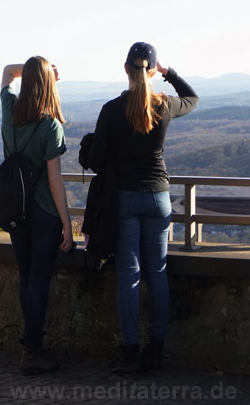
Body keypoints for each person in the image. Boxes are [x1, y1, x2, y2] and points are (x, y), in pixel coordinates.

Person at [88, 42, 198, 373]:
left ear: (125, 70)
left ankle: (129, 354)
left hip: (124, 198)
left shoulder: (110, 109)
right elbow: (192, 98)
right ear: (152, 71)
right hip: (158, 197)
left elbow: (95, 162)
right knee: (158, 274)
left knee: (129, 276)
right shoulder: (164, 105)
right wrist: (170, 73)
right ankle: (156, 351)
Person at [1, 56, 73, 375]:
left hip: (16, 212)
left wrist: (33, 69)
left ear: (27, 82)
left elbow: (6, 71)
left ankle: (30, 346)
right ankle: (32, 351)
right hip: (44, 212)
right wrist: (68, 225)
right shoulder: (51, 126)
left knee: (26, 276)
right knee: (39, 281)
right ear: (50, 85)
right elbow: (55, 181)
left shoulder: (9, 111)